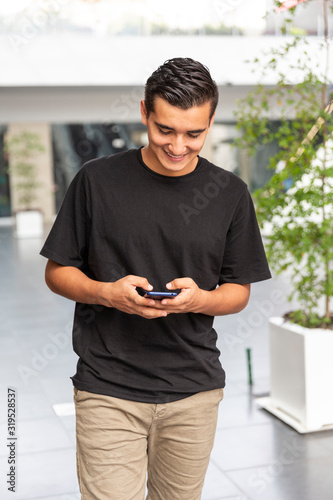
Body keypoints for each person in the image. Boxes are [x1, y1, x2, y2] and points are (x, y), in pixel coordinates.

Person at [40, 57, 271, 500]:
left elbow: (237, 291)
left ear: (210, 121)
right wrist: (106, 293)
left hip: (194, 390)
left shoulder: (230, 194)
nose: (179, 146)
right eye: (165, 129)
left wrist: (199, 300)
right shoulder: (96, 180)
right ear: (145, 112)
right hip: (108, 387)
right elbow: (57, 271)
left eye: (194, 133)